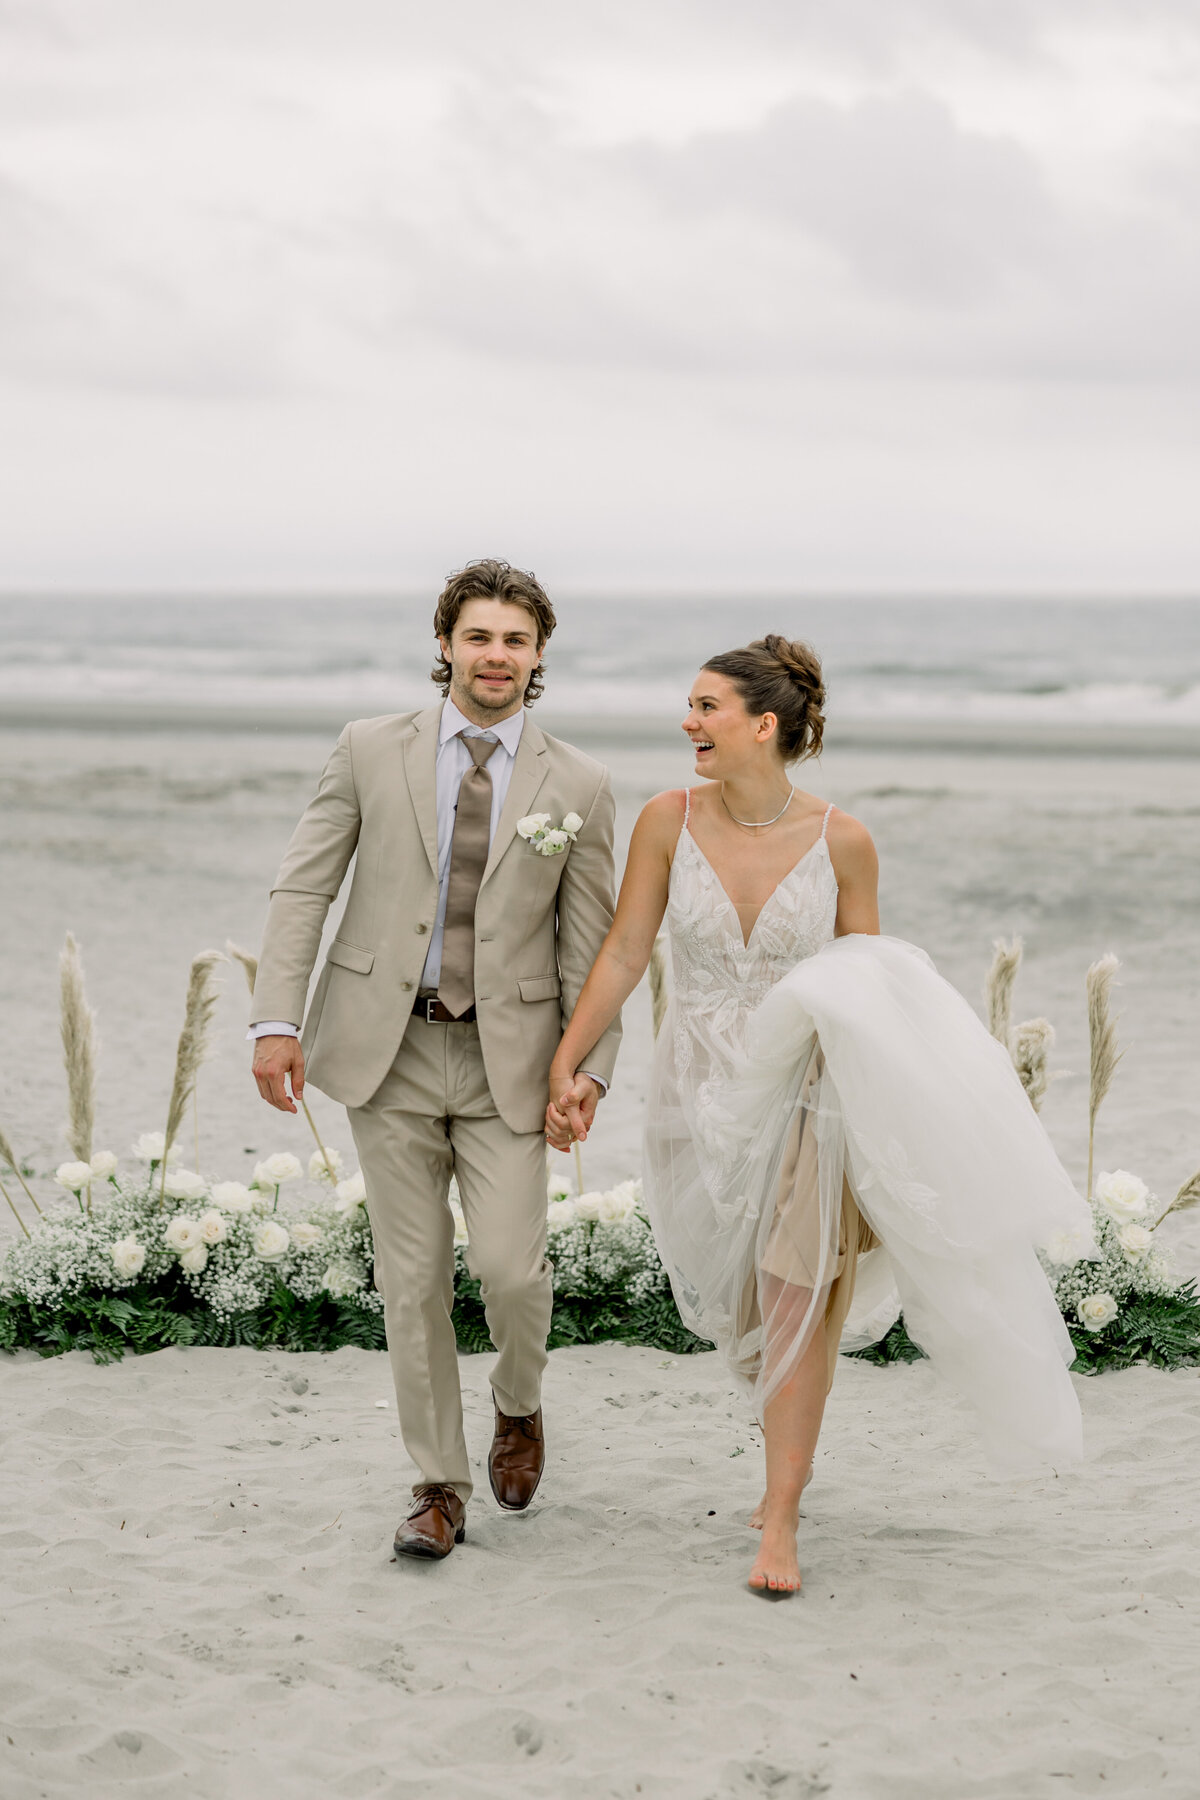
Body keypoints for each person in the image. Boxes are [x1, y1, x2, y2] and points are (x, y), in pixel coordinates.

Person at [547, 634, 1095, 1597]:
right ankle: (782, 1475)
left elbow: (871, 984)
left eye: (707, 706)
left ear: (764, 725)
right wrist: (572, 1062)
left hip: (809, 1092)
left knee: (797, 1293)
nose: (688, 722)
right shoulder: (665, 822)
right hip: (698, 1094)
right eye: (690, 704)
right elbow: (628, 950)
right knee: (751, 1315)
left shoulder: (844, 839)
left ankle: (783, 1519)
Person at [251, 560, 621, 1561]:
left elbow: (594, 947)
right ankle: (438, 1485)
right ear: (446, 644)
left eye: (514, 640)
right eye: (478, 637)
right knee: (409, 1281)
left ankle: (519, 1400)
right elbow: (304, 890)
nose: (494, 656)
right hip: (389, 1050)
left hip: (513, 1060)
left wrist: (589, 1067)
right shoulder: (369, 750)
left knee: (510, 1269)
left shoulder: (578, 783)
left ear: (538, 656)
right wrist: (274, 1020)